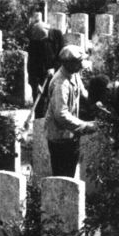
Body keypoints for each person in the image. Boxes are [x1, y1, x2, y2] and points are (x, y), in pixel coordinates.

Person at [44, 45, 96, 177]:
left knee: (71, 172)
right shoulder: (60, 84)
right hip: (60, 137)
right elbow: (61, 115)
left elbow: (83, 93)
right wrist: (85, 126)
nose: (80, 66)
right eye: (78, 63)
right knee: (62, 177)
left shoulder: (74, 74)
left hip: (71, 134)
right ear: (68, 64)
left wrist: (97, 102)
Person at [26, 20, 64, 116]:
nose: (41, 42)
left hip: (56, 77)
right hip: (40, 78)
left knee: (55, 108)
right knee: (39, 108)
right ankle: (39, 129)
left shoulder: (57, 35)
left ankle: (52, 129)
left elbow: (63, 56)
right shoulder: (34, 40)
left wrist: (54, 68)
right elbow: (32, 64)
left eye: (43, 39)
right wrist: (35, 84)